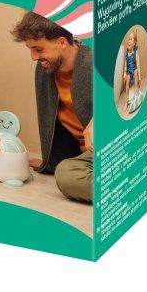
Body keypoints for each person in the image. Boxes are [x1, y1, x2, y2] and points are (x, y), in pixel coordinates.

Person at [11, 12, 93, 203]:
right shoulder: (46, 71)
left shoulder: (96, 63)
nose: (33, 57)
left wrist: (101, 119)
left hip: (115, 148)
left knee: (66, 175)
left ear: (62, 43)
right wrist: (50, 161)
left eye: (38, 49)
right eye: (30, 49)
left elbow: (134, 97)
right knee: (64, 170)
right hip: (88, 156)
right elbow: (56, 123)